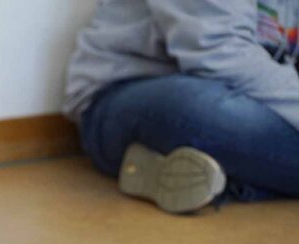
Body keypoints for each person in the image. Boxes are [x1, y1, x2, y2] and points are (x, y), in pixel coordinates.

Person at [64, 0, 299, 213]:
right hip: (127, 95)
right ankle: (247, 179)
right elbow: (221, 55)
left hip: (244, 94)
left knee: (246, 118)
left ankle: (210, 180)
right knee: (210, 110)